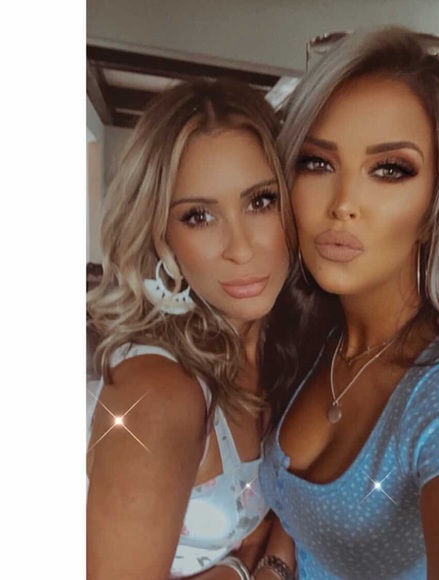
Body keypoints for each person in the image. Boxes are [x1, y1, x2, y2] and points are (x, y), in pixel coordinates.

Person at [258, 27, 439, 580]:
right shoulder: (313, 332)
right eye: (318, 163)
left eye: (390, 169)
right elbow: (297, 514)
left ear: (438, 203)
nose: (344, 204)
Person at [87, 78, 297, 580]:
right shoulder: (158, 393)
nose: (240, 248)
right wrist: (245, 571)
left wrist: (265, 561)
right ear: (163, 239)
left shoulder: (289, 354)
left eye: (260, 201)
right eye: (199, 216)